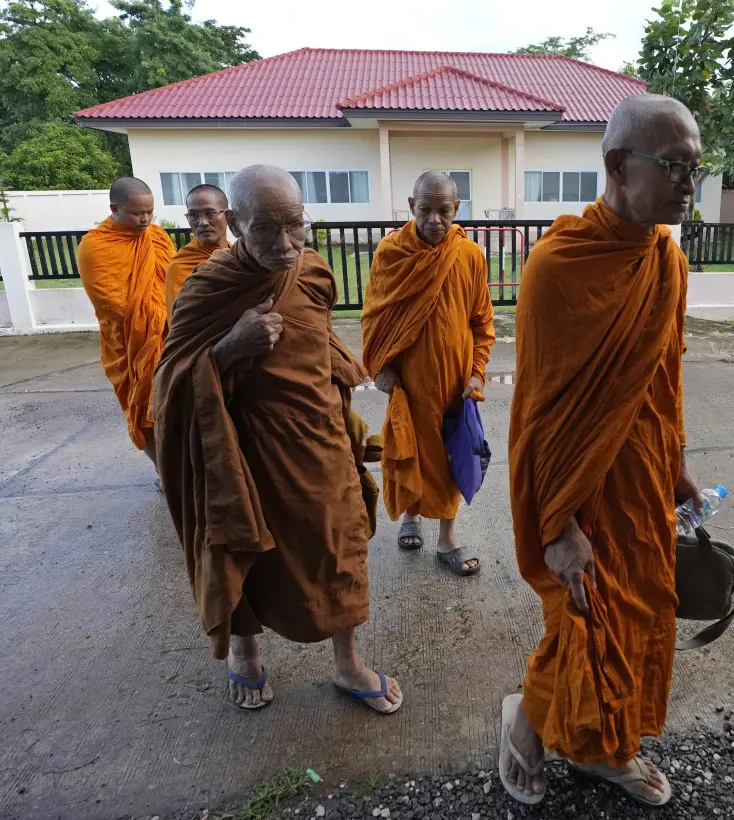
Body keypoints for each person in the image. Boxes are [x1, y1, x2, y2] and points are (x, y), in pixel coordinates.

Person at [498, 94, 708, 808]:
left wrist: (675, 465)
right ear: (618, 164)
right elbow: (542, 413)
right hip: (577, 490)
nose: (689, 184)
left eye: (696, 170)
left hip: (642, 474)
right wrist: (557, 527)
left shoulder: (665, 261)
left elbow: (665, 375)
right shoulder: (559, 267)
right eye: (676, 166)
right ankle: (525, 724)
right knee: (584, 622)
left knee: (639, 613)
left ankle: (606, 749)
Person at [151, 164, 399, 715]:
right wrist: (227, 350)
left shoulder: (311, 269)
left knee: (339, 548)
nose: (284, 243)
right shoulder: (209, 288)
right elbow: (169, 384)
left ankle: (348, 661)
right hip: (247, 452)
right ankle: (246, 649)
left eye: (295, 225)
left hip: (319, 440)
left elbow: (320, 337)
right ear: (235, 224)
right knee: (242, 546)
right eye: (265, 228)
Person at [361, 171, 495, 576]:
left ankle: (447, 537)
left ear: (456, 209)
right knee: (408, 450)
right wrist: (381, 368)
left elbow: (481, 322)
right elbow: (374, 317)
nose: (435, 219)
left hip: (456, 382)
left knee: (453, 456)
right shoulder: (391, 253)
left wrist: (477, 372)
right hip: (409, 383)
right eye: (426, 209)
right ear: (411, 206)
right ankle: (410, 517)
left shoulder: (468, 255)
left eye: (444, 210)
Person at [77, 177, 174, 466]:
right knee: (145, 411)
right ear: (114, 208)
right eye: (137, 213)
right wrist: (162, 318)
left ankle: (181, 467)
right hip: (130, 346)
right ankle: (163, 470)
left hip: (171, 339)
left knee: (178, 407)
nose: (145, 219)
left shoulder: (157, 236)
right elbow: (113, 304)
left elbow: (173, 282)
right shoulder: (96, 246)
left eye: (149, 212)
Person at [165, 183, 231, 315]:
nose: (202, 222)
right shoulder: (181, 265)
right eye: (193, 215)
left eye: (210, 213)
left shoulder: (238, 256)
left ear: (229, 216)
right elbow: (183, 319)